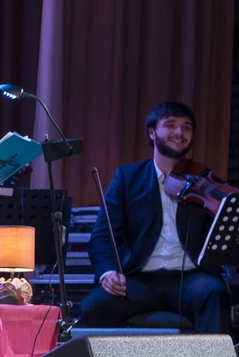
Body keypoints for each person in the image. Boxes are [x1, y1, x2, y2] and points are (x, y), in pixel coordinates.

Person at [81, 101, 229, 334]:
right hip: (140, 279)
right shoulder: (128, 178)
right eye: (170, 125)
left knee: (214, 294)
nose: (179, 132)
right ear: (152, 132)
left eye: (187, 127)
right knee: (93, 306)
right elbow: (102, 236)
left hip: (190, 279)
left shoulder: (203, 182)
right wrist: (107, 272)